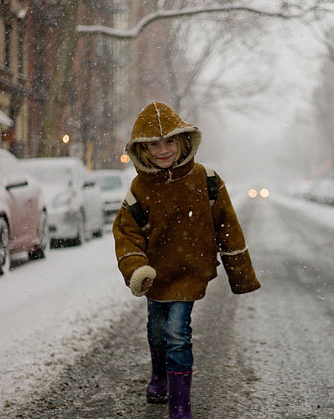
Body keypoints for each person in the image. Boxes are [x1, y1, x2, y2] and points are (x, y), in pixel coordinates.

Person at [113, 102, 260, 419]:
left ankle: (181, 409)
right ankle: (159, 377)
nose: (163, 149)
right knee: (156, 331)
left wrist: (241, 275)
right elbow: (126, 232)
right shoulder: (140, 188)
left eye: (170, 141)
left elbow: (228, 227)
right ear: (143, 148)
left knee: (177, 335)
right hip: (156, 275)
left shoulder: (205, 178)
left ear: (183, 140)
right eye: (154, 143)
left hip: (191, 272)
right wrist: (137, 268)